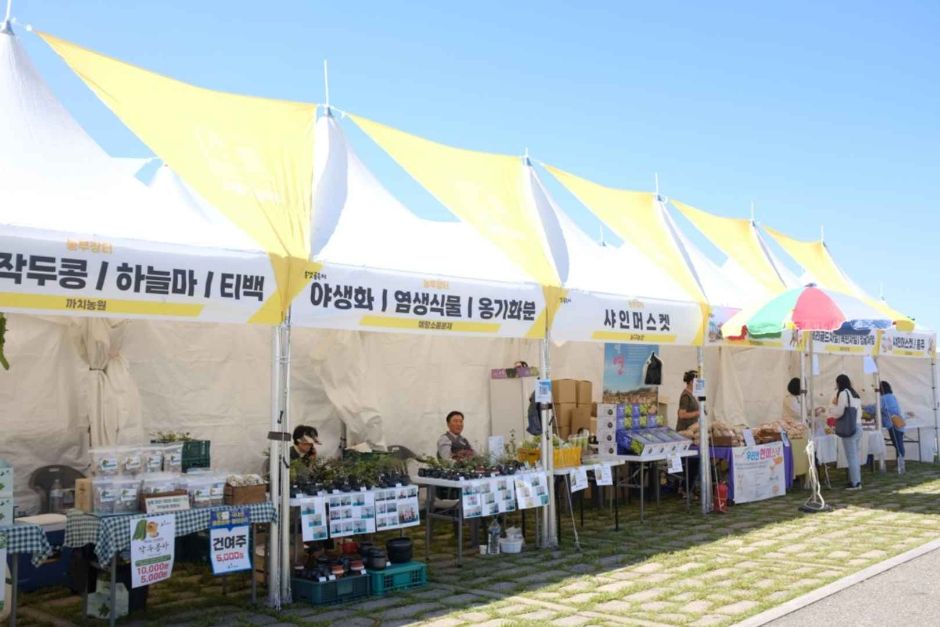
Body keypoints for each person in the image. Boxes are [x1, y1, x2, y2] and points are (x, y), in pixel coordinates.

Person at [833, 374, 863, 490]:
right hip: (858, 426)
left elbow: (840, 412)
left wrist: (832, 411)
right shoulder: (855, 394)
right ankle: (856, 480)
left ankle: (855, 483)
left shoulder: (843, 393)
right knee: (855, 456)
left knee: (852, 457)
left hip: (849, 427)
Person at [676, 370, 701, 497]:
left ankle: (688, 488)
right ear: (691, 381)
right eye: (696, 380)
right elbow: (681, 413)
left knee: (694, 462)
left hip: (692, 432)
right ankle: (685, 489)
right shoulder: (685, 396)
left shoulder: (694, 394)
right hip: (685, 433)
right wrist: (697, 413)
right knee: (691, 462)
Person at [880, 381, 906, 475]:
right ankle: (900, 464)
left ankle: (901, 466)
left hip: (893, 424)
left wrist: (865, 408)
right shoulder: (892, 396)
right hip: (899, 422)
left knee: (898, 445)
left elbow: (876, 408)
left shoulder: (883, 398)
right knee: (899, 444)